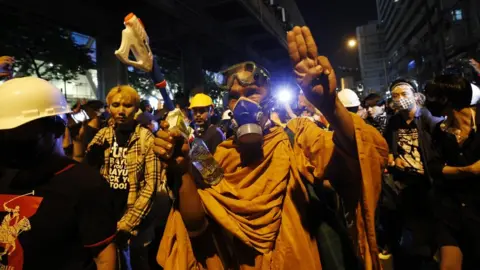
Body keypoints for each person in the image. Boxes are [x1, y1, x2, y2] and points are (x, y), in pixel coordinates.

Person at [153, 26, 387, 269]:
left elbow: (363, 153)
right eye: (234, 97)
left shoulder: (297, 135)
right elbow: (198, 227)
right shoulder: (221, 153)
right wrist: (181, 170)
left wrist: (331, 106)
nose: (242, 103)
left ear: (270, 98)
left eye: (253, 92)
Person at [0, 77, 116, 270]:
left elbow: (104, 258)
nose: (13, 140)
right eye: (6, 134)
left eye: (24, 132)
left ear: (56, 129)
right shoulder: (3, 173)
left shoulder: (84, 184)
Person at [85, 85, 165, 270]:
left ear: (136, 108)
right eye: (116, 105)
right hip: (108, 212)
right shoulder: (104, 134)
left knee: (138, 261)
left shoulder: (146, 138)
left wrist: (129, 224)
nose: (121, 110)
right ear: (108, 107)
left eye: (127, 105)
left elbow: (150, 186)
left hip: (136, 216)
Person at [384, 77, 441, 269]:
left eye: (404, 94)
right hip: (404, 185)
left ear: (416, 96)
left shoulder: (430, 119)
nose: (399, 99)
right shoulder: (393, 122)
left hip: (428, 184)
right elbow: (388, 149)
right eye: (395, 96)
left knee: (431, 230)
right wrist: (392, 158)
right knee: (414, 233)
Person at [424, 74, 480, 269]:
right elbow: (435, 168)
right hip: (450, 211)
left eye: (434, 97)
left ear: (448, 98)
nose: (429, 102)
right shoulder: (440, 130)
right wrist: (468, 170)